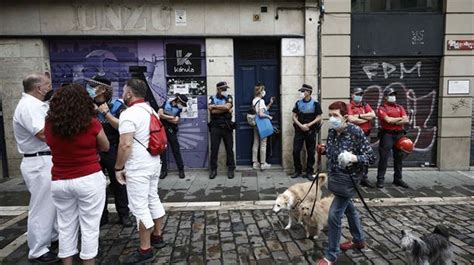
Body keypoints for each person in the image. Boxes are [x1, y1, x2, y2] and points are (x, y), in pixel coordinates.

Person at [45, 84, 109, 265]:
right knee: (89, 226)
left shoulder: (50, 124)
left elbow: (50, 144)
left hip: (60, 179)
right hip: (88, 178)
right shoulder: (91, 123)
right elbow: (105, 146)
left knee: (65, 225)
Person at [316, 101, 375, 265]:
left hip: (349, 180)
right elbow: (332, 150)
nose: (332, 119)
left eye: (335, 115)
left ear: (346, 117)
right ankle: (359, 240)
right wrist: (324, 150)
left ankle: (331, 255)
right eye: (330, 116)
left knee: (334, 214)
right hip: (335, 178)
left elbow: (371, 158)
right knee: (350, 210)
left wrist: (354, 158)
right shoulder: (333, 131)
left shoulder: (356, 132)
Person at [115, 79, 166, 264]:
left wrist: (118, 167)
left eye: (123, 90)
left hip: (138, 166)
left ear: (129, 93)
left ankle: (145, 249)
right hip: (154, 161)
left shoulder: (129, 114)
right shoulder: (150, 109)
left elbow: (126, 143)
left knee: (139, 206)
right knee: (153, 198)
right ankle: (158, 236)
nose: (122, 93)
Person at [12, 73, 59, 263]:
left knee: (52, 204)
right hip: (39, 161)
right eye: (47, 84)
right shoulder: (29, 106)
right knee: (42, 206)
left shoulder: (37, 105)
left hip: (45, 159)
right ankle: (38, 249)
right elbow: (42, 134)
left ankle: (52, 238)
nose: (50, 87)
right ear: (39, 88)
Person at [87, 76, 132, 227]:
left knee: (118, 182)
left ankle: (124, 214)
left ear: (103, 89)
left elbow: (122, 127)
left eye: (94, 86)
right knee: (98, 185)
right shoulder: (87, 105)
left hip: (113, 148)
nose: (90, 88)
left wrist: (106, 113)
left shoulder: (117, 105)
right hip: (94, 150)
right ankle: (102, 216)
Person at [376, 87, 410, 189]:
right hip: (387, 135)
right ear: (385, 97)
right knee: (384, 158)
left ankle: (398, 179)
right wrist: (400, 119)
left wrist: (394, 120)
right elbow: (388, 120)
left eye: (394, 95)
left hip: (399, 135)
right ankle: (380, 179)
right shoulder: (382, 108)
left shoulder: (399, 107)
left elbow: (406, 120)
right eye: (391, 95)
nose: (393, 97)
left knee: (399, 157)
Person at [291, 84, 322, 179]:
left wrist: (309, 125)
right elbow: (294, 116)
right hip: (299, 130)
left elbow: (319, 117)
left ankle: (309, 171)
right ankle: (298, 170)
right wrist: (300, 125)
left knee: (311, 152)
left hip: (310, 131)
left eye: (303, 91)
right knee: (296, 151)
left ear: (308, 92)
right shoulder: (298, 103)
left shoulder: (315, 103)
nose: (301, 93)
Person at [347, 87, 376, 188]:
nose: (359, 96)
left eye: (361, 94)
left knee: (365, 157)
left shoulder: (365, 105)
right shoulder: (349, 106)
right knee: (354, 157)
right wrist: (364, 118)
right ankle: (354, 179)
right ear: (352, 95)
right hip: (354, 137)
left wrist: (358, 116)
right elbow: (351, 119)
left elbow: (373, 115)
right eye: (357, 94)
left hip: (366, 135)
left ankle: (364, 178)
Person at [208, 81, 236, 179]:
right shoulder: (212, 98)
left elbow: (227, 106)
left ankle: (231, 169)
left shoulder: (229, 97)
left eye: (225, 89)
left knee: (229, 149)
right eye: (223, 89)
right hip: (215, 127)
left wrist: (215, 107)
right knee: (214, 149)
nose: (225, 91)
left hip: (227, 127)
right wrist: (224, 109)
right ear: (218, 89)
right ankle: (213, 169)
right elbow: (211, 110)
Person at [158, 93, 189, 179]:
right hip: (162, 129)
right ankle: (163, 171)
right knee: (162, 151)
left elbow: (176, 121)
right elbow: (160, 114)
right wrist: (171, 117)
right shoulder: (166, 102)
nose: (182, 106)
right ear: (178, 100)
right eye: (182, 103)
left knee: (176, 150)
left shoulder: (179, 109)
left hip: (171, 130)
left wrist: (165, 116)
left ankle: (181, 170)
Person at [251, 83, 275, 170]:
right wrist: (269, 117)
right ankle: (263, 163)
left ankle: (255, 162)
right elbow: (261, 114)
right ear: (261, 91)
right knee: (263, 144)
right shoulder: (261, 101)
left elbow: (262, 110)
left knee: (256, 142)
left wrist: (270, 104)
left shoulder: (254, 100)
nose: (264, 92)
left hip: (256, 124)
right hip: (262, 124)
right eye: (263, 90)